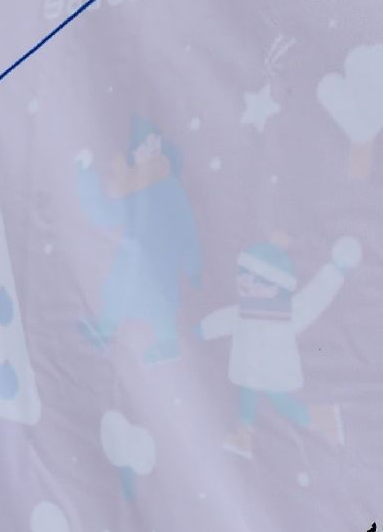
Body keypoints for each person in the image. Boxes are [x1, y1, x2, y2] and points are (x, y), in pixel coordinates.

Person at [198, 238, 359, 458]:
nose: (247, 283)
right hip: (249, 369)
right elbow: (223, 320)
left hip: (272, 372)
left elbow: (314, 298)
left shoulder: (287, 314)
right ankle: (244, 438)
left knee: (281, 405)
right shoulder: (244, 311)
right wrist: (202, 330)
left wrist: (336, 270)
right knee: (246, 396)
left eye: (260, 281)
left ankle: (322, 417)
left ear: (277, 287)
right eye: (244, 274)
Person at [74, 117, 204, 364]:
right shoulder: (130, 188)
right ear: (135, 152)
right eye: (145, 145)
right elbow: (105, 214)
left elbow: (186, 226)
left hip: (160, 261)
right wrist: (85, 177)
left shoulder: (169, 187)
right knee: (117, 294)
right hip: (130, 260)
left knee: (159, 304)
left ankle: (168, 342)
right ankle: (104, 330)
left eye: (155, 144)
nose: (151, 149)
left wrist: (193, 264)